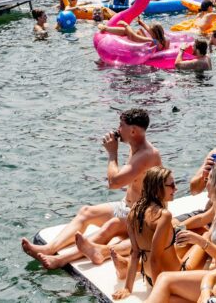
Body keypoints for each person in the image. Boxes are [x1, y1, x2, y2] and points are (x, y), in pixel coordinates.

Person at [21, 109, 162, 269]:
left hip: (142, 216)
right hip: (127, 207)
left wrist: (112, 153)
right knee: (86, 212)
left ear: (133, 131)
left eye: (121, 125)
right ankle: (49, 248)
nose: (117, 129)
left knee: (110, 228)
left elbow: (114, 183)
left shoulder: (146, 155)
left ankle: (61, 259)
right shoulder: (135, 146)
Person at [112, 167, 180, 298]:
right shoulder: (163, 216)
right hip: (169, 278)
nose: (175, 188)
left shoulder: (134, 211)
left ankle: (126, 267)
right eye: (171, 185)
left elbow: (135, 253)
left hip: (150, 276)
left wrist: (127, 288)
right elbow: (155, 259)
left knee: (180, 245)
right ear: (157, 188)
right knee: (203, 238)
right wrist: (159, 293)